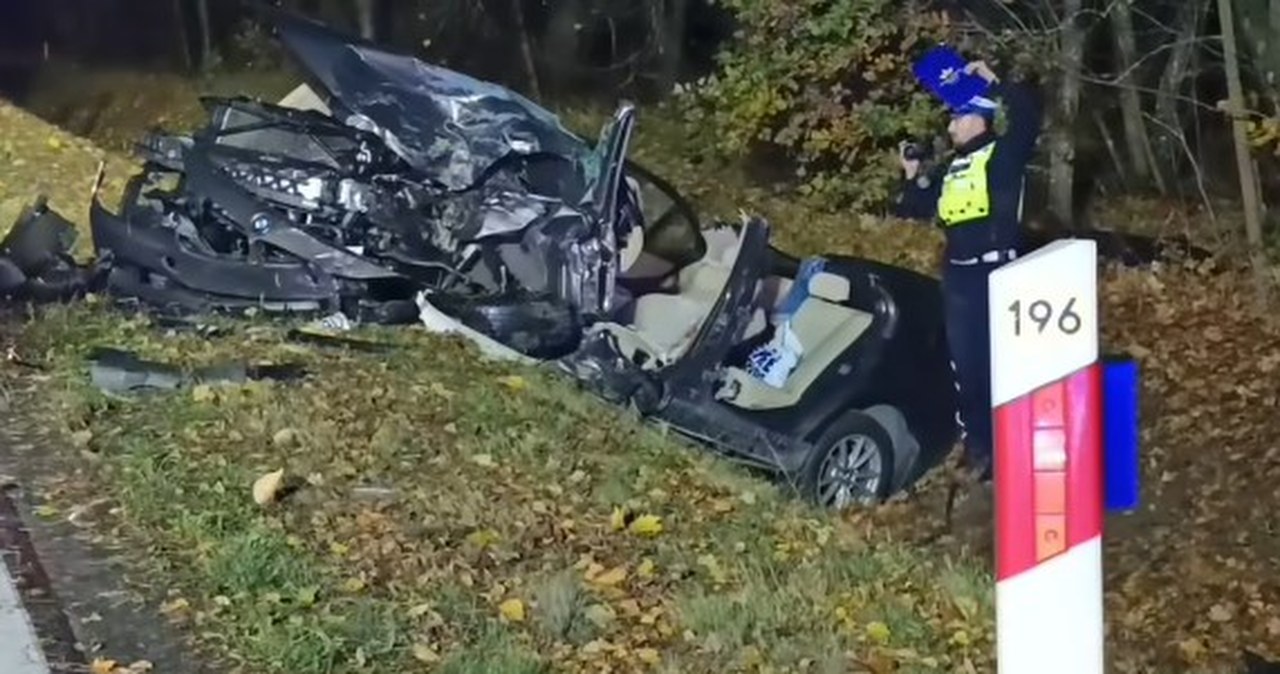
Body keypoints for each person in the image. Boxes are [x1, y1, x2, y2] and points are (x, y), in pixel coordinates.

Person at [893, 60, 1043, 482]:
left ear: (978, 118)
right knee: (968, 369)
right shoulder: (951, 168)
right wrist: (912, 177)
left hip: (997, 277)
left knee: (1004, 367)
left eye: (957, 118)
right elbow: (915, 209)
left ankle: (1013, 447)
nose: (950, 128)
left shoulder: (1002, 158)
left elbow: (1028, 119)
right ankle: (980, 448)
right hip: (959, 279)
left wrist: (999, 83)